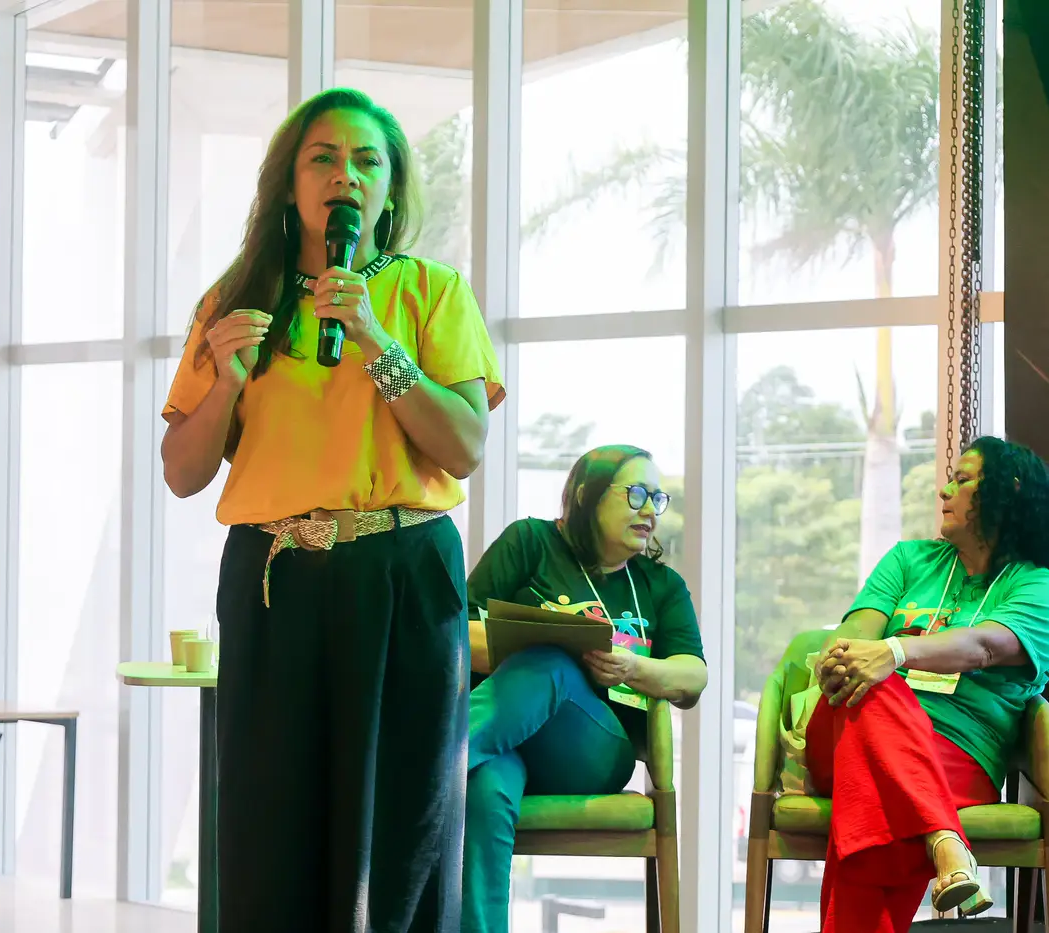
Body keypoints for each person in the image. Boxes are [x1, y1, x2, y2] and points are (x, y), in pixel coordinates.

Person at [160, 86, 504, 932]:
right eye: (323, 157)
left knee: (400, 814)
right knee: (268, 815)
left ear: (389, 188)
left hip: (401, 570)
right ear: (289, 182)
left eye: (365, 160)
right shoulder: (236, 299)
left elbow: (463, 445)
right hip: (273, 575)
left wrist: (376, 340)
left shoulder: (430, 290)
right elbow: (182, 471)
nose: (345, 175)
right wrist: (227, 381)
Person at [458, 444, 708, 932]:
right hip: (503, 740)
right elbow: (455, 634)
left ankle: (419, 770)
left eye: (657, 499)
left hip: (593, 753)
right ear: (586, 495)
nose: (649, 511)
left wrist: (632, 667)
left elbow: (692, 676)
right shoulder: (529, 542)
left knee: (551, 665)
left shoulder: (661, 585)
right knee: (483, 791)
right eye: (637, 494)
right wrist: (523, 642)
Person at [812, 436, 1049, 931]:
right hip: (843, 725)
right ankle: (944, 837)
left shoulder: (1036, 585)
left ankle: (938, 839)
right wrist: (848, 658)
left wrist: (895, 652)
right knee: (872, 687)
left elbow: (986, 646)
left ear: (1008, 490)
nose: (945, 490)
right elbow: (853, 640)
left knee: (873, 815)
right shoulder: (908, 560)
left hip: (959, 753)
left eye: (962, 480)